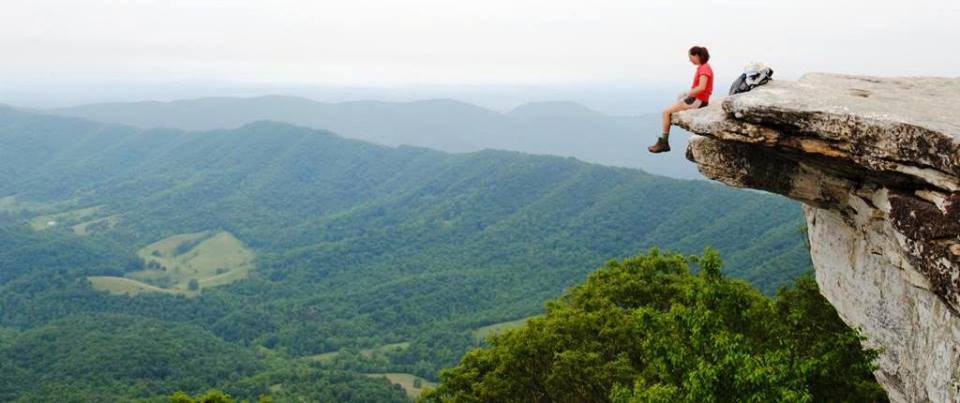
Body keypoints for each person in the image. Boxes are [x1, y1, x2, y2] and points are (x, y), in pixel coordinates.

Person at [648, 46, 714, 153]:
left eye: (691, 57)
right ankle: (663, 141)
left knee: (666, 112)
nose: (690, 60)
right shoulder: (704, 67)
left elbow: (702, 87)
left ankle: (664, 142)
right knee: (671, 109)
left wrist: (689, 93)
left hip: (698, 101)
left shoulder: (704, 68)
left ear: (697, 55)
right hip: (698, 99)